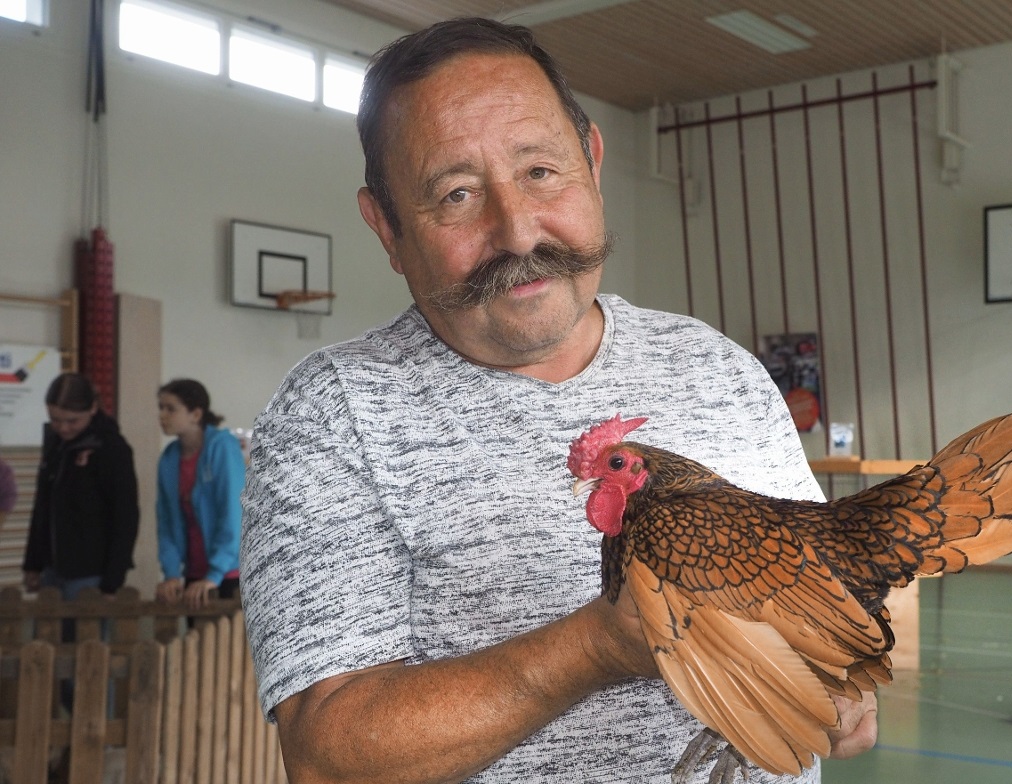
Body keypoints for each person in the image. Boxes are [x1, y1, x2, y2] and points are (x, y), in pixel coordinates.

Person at [240, 17, 877, 784]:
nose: (516, 232)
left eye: (541, 171)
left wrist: (839, 672)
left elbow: (821, 594)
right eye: (456, 193)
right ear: (387, 227)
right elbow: (328, 757)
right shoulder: (334, 414)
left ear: (593, 162)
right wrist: (596, 646)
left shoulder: (718, 368)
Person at [23, 373, 138, 600]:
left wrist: (112, 582)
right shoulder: (55, 444)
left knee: (85, 624)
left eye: (72, 421)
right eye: (55, 420)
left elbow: (125, 517)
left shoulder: (112, 448)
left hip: (91, 572)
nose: (63, 428)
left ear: (93, 408)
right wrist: (33, 563)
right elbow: (43, 506)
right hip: (52, 568)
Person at [155, 378, 245, 612]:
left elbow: (233, 514)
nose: (162, 415)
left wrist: (215, 574)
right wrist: (171, 573)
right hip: (195, 572)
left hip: (230, 571)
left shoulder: (222, 447)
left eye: (171, 409)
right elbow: (166, 521)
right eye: (161, 408)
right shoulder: (169, 458)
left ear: (195, 414)